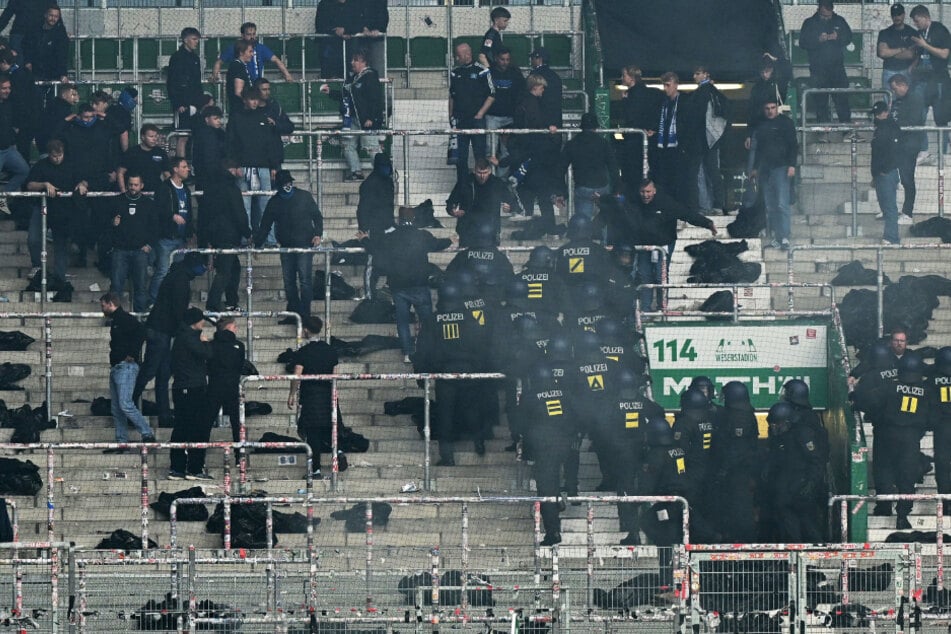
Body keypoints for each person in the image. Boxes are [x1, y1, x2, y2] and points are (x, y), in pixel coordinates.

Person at [414, 279, 492, 466]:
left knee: (445, 415)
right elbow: (481, 345)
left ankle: (447, 456)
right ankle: (479, 441)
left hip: (445, 373)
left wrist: (421, 371)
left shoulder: (433, 320)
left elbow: (424, 348)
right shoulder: (469, 318)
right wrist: (480, 367)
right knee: (473, 408)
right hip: (469, 371)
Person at [853, 351, 933, 529]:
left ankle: (884, 506)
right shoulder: (926, 392)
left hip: (886, 435)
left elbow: (866, 401)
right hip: (911, 439)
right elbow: (930, 418)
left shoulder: (889, 388)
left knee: (883, 471)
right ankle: (903, 516)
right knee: (907, 477)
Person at [134, 252, 207, 427]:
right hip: (161, 331)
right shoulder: (180, 280)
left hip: (162, 330)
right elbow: (177, 310)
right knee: (151, 371)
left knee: (163, 373)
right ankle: (130, 402)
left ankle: (164, 415)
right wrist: (189, 331)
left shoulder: (177, 275)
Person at [372, 207, 452, 362]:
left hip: (398, 286)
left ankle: (408, 353)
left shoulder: (391, 237)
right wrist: (450, 240)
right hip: (419, 284)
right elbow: (438, 244)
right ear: (414, 219)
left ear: (398, 220)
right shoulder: (422, 235)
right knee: (427, 321)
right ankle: (429, 349)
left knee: (402, 321)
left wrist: (364, 240)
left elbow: (377, 249)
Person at [626, 178, 717, 311]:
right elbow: (618, 209)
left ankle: (662, 308)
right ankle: (645, 310)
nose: (645, 195)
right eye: (642, 192)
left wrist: (707, 223)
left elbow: (687, 214)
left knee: (659, 276)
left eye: (648, 191)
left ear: (654, 191)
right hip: (643, 245)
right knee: (644, 276)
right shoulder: (634, 203)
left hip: (663, 246)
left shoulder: (666, 203)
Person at [255, 170, 323, 320]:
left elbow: (317, 217)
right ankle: (293, 313)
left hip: (304, 244)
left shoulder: (304, 196)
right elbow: (265, 225)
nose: (287, 186)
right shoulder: (275, 202)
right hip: (286, 246)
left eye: (289, 183)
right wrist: (257, 245)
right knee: (289, 282)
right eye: (284, 184)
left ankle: (305, 314)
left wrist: (318, 234)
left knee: (305, 280)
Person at [56, 101, 116, 271]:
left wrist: (105, 115)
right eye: (85, 117)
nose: (89, 120)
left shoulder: (102, 127)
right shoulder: (72, 129)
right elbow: (54, 134)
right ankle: (81, 254)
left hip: (99, 179)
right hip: (76, 180)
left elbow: (121, 128)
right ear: (80, 116)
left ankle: (102, 258)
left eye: (91, 117)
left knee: (102, 220)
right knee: (79, 220)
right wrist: (67, 119)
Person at [520, 361, 574, 546]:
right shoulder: (565, 394)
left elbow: (522, 425)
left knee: (545, 491)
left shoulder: (529, 396)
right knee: (553, 481)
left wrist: (527, 450)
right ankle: (562, 495)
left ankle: (553, 532)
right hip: (564, 446)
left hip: (543, 448)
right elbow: (575, 415)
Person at [100, 292, 156, 454]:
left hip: (125, 367)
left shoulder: (124, 318)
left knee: (125, 404)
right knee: (117, 408)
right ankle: (121, 441)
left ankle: (147, 434)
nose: (102, 309)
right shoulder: (118, 320)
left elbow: (141, 332)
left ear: (111, 303)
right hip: (118, 367)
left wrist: (132, 353)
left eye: (103, 305)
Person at [765, 401, 825, 542]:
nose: (774, 428)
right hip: (785, 491)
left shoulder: (803, 434)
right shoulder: (778, 438)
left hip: (802, 488)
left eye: (777, 424)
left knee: (809, 526)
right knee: (788, 530)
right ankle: (793, 562)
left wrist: (811, 484)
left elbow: (816, 461)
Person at [226, 86, 281, 242]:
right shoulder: (236, 117)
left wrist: (274, 166)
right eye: (251, 99)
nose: (255, 102)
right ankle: (245, 239)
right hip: (243, 167)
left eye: (256, 99)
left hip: (264, 167)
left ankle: (269, 240)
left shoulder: (264, 118)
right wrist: (233, 165)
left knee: (267, 207)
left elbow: (271, 144)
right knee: (244, 207)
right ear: (244, 100)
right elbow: (230, 143)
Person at [320, 50, 385, 181]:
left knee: (371, 147)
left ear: (363, 62)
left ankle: (383, 172)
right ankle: (356, 172)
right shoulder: (354, 78)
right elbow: (346, 96)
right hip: (351, 119)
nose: (352, 62)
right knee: (347, 145)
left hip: (366, 119)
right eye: (352, 59)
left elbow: (376, 99)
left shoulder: (370, 76)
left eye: (355, 60)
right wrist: (330, 92)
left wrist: (371, 118)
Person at [287, 314, 339, 477]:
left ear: (307, 331)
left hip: (310, 396)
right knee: (332, 430)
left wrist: (292, 393)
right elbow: (336, 374)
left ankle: (315, 469)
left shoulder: (303, 352)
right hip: (328, 394)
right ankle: (338, 456)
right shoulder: (330, 350)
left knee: (313, 435)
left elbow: (297, 374)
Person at [168, 307, 214, 481]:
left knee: (182, 427)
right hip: (191, 387)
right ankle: (192, 468)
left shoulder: (181, 337)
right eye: (201, 320)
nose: (203, 323)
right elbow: (207, 354)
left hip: (184, 387)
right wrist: (205, 341)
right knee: (192, 428)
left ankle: (179, 467)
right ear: (195, 322)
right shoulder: (189, 338)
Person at [198, 159, 251, 312]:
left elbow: (204, 214)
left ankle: (231, 301)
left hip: (214, 234)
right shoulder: (231, 188)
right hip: (228, 234)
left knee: (234, 268)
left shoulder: (209, 188)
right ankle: (213, 304)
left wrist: (205, 237)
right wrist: (247, 232)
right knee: (225, 271)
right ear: (231, 170)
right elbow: (239, 213)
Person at [25, 139, 81, 281]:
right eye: (54, 156)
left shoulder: (71, 165)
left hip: (62, 210)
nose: (57, 159)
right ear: (48, 154)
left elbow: (82, 179)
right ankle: (37, 266)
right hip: (42, 207)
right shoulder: (41, 165)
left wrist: (83, 184)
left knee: (61, 242)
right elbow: (29, 185)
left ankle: (60, 275)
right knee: (33, 238)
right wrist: (44, 184)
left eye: (60, 155)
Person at [712, 381, 759, 542]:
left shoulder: (741, 417)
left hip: (738, 472)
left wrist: (723, 470)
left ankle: (742, 544)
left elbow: (737, 450)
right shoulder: (734, 414)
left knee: (739, 510)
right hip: (734, 471)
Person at [750, 97, 797, 249]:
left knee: (782, 204)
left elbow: (793, 145)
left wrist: (792, 165)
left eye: (773, 108)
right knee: (770, 206)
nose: (770, 111)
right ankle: (776, 238)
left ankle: (784, 237)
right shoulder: (761, 125)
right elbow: (759, 149)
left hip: (781, 168)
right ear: (764, 110)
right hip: (765, 170)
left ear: (777, 108)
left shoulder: (786, 123)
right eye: (767, 108)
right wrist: (755, 168)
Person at [798, 0, 853, 127]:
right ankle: (822, 132)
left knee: (842, 100)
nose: (828, 17)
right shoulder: (809, 23)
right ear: (819, 9)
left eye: (829, 14)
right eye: (824, 15)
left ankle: (846, 130)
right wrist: (818, 39)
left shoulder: (839, 20)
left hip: (837, 69)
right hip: (818, 70)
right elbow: (803, 42)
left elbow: (849, 37)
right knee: (821, 101)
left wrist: (837, 36)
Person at [149, 156, 194, 306]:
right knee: (162, 271)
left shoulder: (186, 190)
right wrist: (171, 216)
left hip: (181, 239)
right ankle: (154, 302)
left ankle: (174, 301)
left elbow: (189, 213)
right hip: (166, 238)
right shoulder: (164, 188)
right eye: (184, 166)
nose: (188, 169)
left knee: (178, 273)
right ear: (175, 169)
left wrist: (189, 234)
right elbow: (157, 211)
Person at [685, 65, 730, 213]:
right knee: (713, 173)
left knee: (695, 173)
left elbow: (694, 119)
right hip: (711, 139)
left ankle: (700, 205)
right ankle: (717, 204)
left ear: (706, 74)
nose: (694, 77)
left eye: (697, 73)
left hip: (700, 140)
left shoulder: (700, 94)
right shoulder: (715, 93)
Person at [449, 43, 495, 181]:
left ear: (467, 54)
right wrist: (450, 116)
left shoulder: (482, 71)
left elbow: (492, 94)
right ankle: (463, 187)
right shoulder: (455, 73)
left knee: (480, 156)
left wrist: (480, 113)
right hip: (460, 120)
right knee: (460, 158)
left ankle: (481, 185)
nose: (457, 58)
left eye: (459, 55)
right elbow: (451, 96)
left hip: (477, 120)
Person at [110, 173, 154, 313]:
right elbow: (105, 225)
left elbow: (156, 227)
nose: (133, 187)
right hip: (120, 250)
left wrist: (149, 245)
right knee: (116, 286)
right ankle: (114, 316)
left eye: (136, 185)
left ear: (142, 186)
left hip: (140, 251)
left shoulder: (148, 204)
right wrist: (113, 223)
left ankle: (140, 318)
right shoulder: (117, 201)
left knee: (141, 286)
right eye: (130, 185)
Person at [446, 157, 514, 247]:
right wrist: (453, 211)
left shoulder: (497, 183)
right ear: (474, 171)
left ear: (489, 171)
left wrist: (509, 207)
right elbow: (451, 202)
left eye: (485, 173)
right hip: (468, 230)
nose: (482, 176)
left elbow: (512, 201)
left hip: (490, 230)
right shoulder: (465, 183)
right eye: (479, 173)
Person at [561, 112, 618, 219]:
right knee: (606, 220)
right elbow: (613, 168)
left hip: (583, 187)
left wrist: (563, 192)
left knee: (583, 222)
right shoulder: (604, 143)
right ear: (596, 127)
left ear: (581, 127)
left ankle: (584, 234)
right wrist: (616, 189)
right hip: (602, 186)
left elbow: (560, 169)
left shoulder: (572, 143)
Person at [618, 64, 663, 193]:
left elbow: (631, 117)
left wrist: (625, 102)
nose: (622, 78)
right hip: (648, 138)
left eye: (624, 75)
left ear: (632, 78)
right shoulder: (651, 94)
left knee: (633, 172)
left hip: (634, 140)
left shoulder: (632, 96)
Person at [356, 152, 394, 299]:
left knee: (393, 257)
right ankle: (369, 295)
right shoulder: (368, 184)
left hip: (389, 226)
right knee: (372, 261)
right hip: (375, 228)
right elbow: (363, 208)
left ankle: (389, 287)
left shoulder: (388, 182)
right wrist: (364, 229)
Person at [909, 5, 951, 139]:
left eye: (917, 21)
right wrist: (913, 66)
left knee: (941, 117)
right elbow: (921, 54)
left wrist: (925, 45)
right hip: (922, 78)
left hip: (938, 78)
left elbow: (944, 54)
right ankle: (923, 149)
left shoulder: (940, 30)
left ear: (926, 17)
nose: (915, 24)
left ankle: (942, 152)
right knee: (918, 113)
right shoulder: (920, 33)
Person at [888, 74, 925, 222]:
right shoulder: (899, 101)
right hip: (898, 144)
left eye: (895, 89)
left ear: (903, 85)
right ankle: (889, 209)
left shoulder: (915, 98)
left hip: (909, 144)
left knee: (907, 179)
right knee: (892, 177)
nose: (894, 92)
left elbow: (912, 121)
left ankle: (907, 213)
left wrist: (895, 125)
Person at [212, 21, 293, 85]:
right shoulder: (234, 48)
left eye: (254, 34)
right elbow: (219, 62)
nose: (252, 37)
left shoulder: (261, 48)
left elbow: (276, 60)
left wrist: (287, 75)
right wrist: (215, 76)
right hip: (240, 86)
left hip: (256, 85)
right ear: (242, 35)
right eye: (249, 34)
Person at [207, 317, 246, 444]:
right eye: (235, 326)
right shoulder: (239, 346)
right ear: (228, 327)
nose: (236, 329)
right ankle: (239, 457)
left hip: (214, 386)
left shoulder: (211, 345)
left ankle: (198, 458)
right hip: (233, 387)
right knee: (237, 423)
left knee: (206, 423)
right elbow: (240, 366)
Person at [167, 27, 203, 158]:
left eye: (197, 40)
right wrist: (178, 103)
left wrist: (200, 102)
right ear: (185, 40)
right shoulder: (177, 58)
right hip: (183, 104)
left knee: (194, 135)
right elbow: (172, 83)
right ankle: (180, 163)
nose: (196, 42)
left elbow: (197, 83)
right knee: (182, 136)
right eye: (194, 39)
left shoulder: (195, 58)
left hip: (195, 103)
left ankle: (191, 165)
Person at [870, 100, 903, 245]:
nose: (877, 116)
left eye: (879, 113)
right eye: (876, 114)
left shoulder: (890, 128)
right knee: (886, 206)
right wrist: (875, 174)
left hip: (887, 173)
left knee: (889, 207)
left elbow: (892, 152)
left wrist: (883, 170)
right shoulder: (881, 128)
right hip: (881, 174)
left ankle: (891, 237)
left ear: (886, 112)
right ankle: (890, 236)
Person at [486, 47, 524, 164]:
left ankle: (502, 180)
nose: (505, 62)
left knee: (506, 151)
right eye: (502, 59)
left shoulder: (515, 72)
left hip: (509, 117)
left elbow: (522, 92)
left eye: (507, 59)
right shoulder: (488, 72)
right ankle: (490, 177)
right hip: (492, 116)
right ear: (496, 58)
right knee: (489, 148)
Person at [653, 72, 685, 199]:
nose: (665, 88)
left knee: (677, 178)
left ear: (676, 85)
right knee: (665, 177)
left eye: (668, 85)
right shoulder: (663, 102)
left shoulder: (684, 101)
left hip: (678, 147)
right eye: (664, 85)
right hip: (665, 146)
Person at [314, 0, 363, 79]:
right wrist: (334, 31)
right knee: (328, 78)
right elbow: (320, 25)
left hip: (348, 51)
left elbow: (360, 24)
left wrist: (346, 30)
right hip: (329, 51)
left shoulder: (354, 4)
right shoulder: (324, 4)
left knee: (347, 78)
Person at [0, 48, 34, 160]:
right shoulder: (23, 72)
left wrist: (16, 124)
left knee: (21, 152)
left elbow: (19, 102)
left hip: (20, 121)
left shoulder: (16, 77)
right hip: (27, 119)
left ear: (4, 62)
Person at [0, 72, 27, 214]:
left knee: (24, 171)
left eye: (8, 88)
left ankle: (2, 198)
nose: (7, 91)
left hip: (9, 149)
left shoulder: (8, 105)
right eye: (4, 88)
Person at [22, 4, 67, 88]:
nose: (53, 19)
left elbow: (63, 55)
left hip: (53, 73)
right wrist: (27, 61)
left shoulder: (60, 34)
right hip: (35, 71)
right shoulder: (34, 31)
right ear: (45, 15)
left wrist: (63, 73)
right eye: (51, 15)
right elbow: (26, 46)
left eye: (56, 16)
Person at [254, 77, 295, 168]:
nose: (267, 92)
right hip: (255, 157)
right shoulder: (250, 108)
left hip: (273, 157)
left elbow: (290, 127)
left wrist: (275, 124)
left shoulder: (275, 106)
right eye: (264, 89)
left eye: (268, 89)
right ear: (256, 91)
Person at [118, 124, 169, 194]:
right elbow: (120, 172)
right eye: (151, 136)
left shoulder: (161, 152)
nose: (154, 139)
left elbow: (167, 175)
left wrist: (168, 191)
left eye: (156, 136)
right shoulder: (132, 152)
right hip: (136, 193)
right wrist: (123, 192)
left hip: (156, 193)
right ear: (143, 137)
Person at [930, 347, 951, 513]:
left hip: (941, 427)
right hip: (942, 425)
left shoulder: (932, 379)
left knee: (942, 464)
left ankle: (944, 500)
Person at [878, 4, 917, 88]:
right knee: (889, 98)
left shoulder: (912, 33)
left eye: (899, 14)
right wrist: (902, 49)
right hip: (889, 71)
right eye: (894, 15)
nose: (896, 17)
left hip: (906, 71)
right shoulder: (884, 33)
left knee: (907, 99)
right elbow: (882, 53)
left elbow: (910, 55)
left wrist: (890, 53)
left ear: (903, 15)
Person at [191, 105, 227, 188]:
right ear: (207, 119)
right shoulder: (207, 134)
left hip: (206, 174)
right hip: (209, 174)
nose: (219, 121)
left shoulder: (218, 133)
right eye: (215, 118)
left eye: (219, 118)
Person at [35, 81, 76, 153]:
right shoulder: (61, 110)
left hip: (45, 146)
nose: (76, 97)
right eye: (73, 94)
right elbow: (55, 131)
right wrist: (66, 120)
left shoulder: (54, 105)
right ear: (64, 95)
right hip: (51, 148)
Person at [528, 47, 562, 127]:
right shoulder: (555, 76)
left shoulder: (535, 75)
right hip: (554, 118)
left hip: (539, 118)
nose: (531, 61)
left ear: (539, 59)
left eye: (533, 58)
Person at [225, 40, 254, 115]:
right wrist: (251, 101)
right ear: (241, 52)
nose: (252, 54)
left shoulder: (239, 65)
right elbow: (238, 92)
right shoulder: (237, 66)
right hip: (240, 111)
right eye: (250, 51)